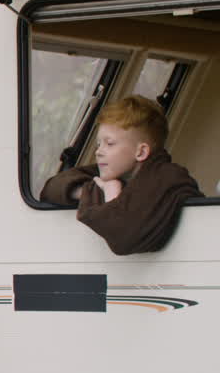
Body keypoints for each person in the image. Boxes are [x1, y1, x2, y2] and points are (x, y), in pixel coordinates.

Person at [40, 93, 201, 254]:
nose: (99, 152)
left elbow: (124, 238)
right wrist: (89, 191)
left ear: (141, 152)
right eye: (98, 144)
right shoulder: (113, 172)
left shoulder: (168, 178)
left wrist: (113, 196)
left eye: (109, 144)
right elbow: (52, 188)